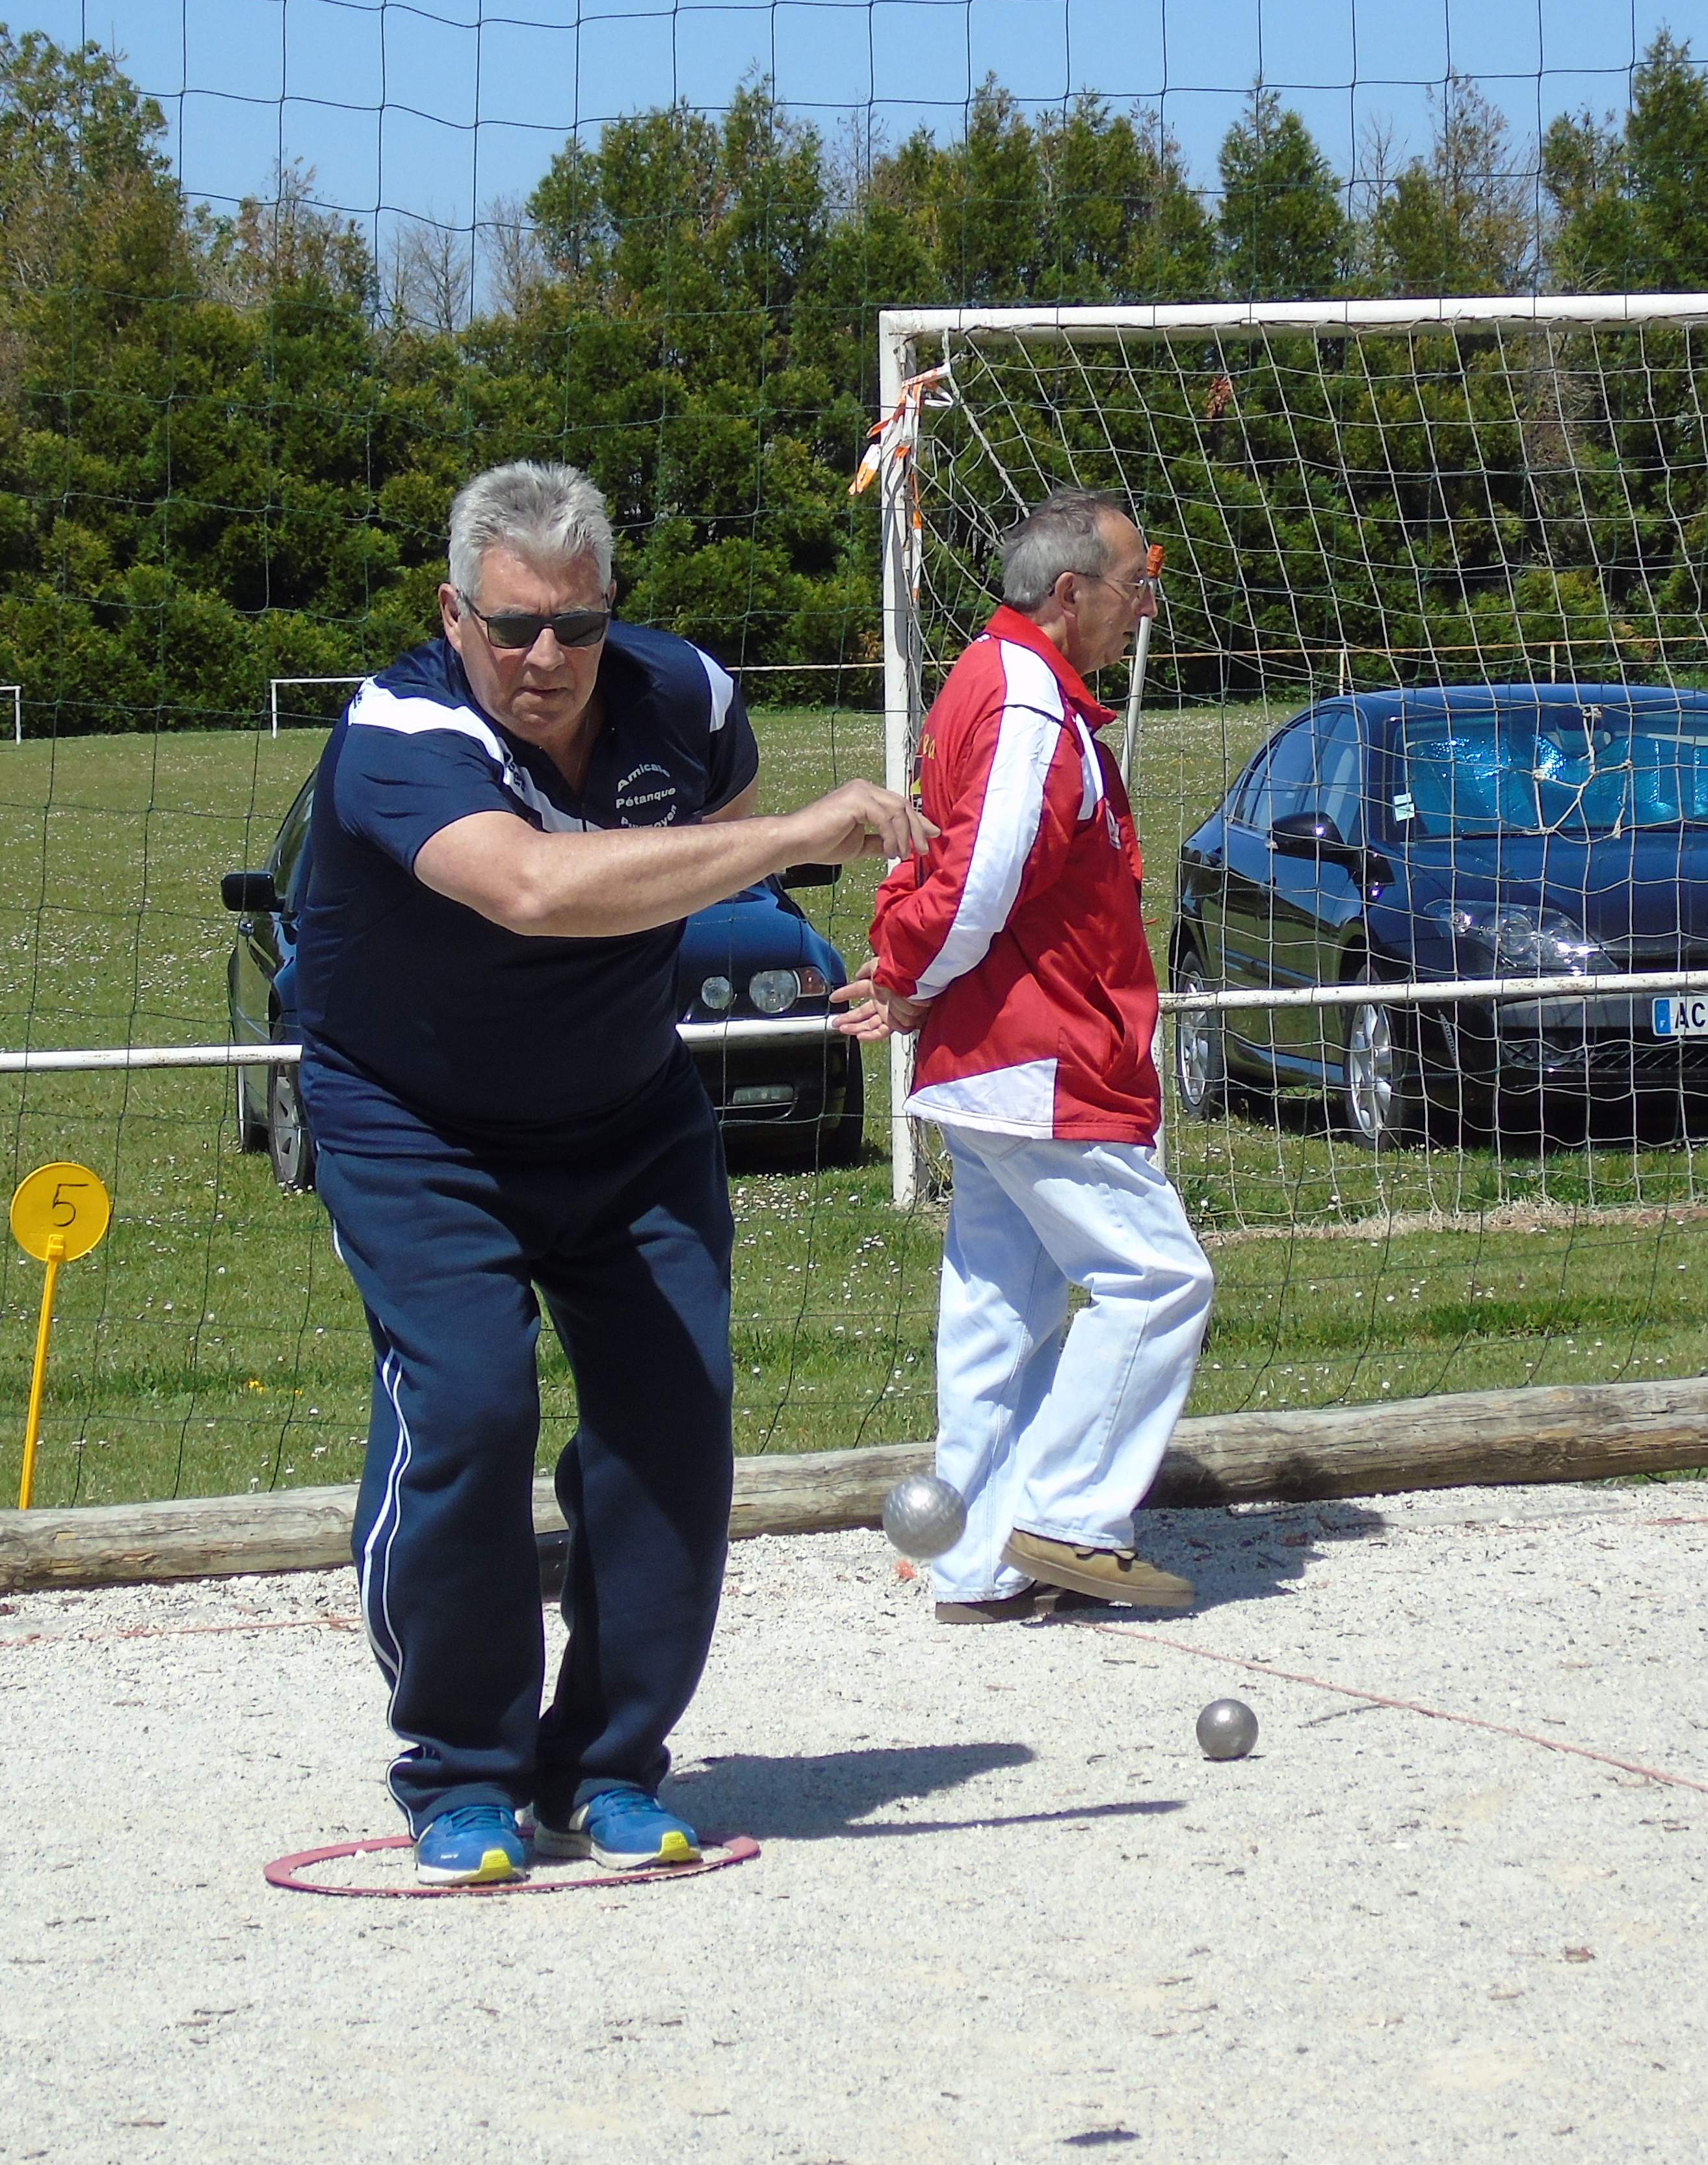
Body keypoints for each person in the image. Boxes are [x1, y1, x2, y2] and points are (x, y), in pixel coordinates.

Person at [296, 460, 928, 1884]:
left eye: (576, 631)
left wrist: (837, 916)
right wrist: (780, 843)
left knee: (674, 1419)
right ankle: (460, 1772)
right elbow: (527, 887)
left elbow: (713, 845)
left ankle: (606, 1762)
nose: (544, 662)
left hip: (626, 1109)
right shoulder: (397, 727)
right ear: (449, 611)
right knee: (467, 1404)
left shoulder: (687, 699)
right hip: (412, 1121)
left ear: (610, 615)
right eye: (512, 627)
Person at [841, 488, 1215, 1621]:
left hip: (1003, 1053)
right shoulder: (1025, 696)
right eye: (1134, 588)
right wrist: (910, 979)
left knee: (1005, 1310)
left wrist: (913, 979)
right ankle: (1064, 1521)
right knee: (1157, 1280)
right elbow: (979, 877)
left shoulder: (1000, 684)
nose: (1143, 611)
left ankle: (979, 1562)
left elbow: (943, 864)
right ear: (1071, 592)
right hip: (1040, 1053)